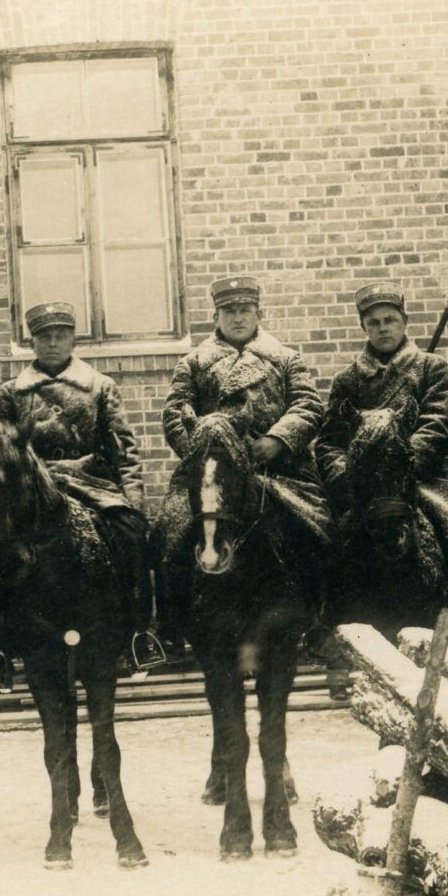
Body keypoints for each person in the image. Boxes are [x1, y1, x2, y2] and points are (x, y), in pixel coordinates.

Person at [0, 301, 164, 689]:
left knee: (130, 537)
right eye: (45, 337)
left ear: (72, 340)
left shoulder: (99, 386)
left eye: (60, 337)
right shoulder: (13, 392)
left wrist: (132, 499)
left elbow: (124, 449)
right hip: (33, 489)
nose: (52, 344)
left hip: (92, 481)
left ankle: (138, 636)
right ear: (33, 342)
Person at [155, 276, 332, 645]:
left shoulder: (285, 359)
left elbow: (308, 404)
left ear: (258, 313)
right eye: (229, 311)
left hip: (278, 468)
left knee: (316, 528)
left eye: (245, 310)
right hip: (212, 471)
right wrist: (205, 449)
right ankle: (173, 630)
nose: (237, 318)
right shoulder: (194, 364)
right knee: (169, 533)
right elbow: (175, 413)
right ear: (216, 315)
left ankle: (318, 622)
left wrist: (277, 440)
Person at [314, 281, 448, 631]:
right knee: (326, 535)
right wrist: (344, 474)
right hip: (363, 480)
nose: (383, 328)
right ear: (363, 328)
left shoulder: (431, 367)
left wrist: (401, 462)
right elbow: (330, 440)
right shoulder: (347, 380)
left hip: (423, 472)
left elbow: (436, 424)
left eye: (390, 320)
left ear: (404, 321)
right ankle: (326, 626)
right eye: (374, 322)